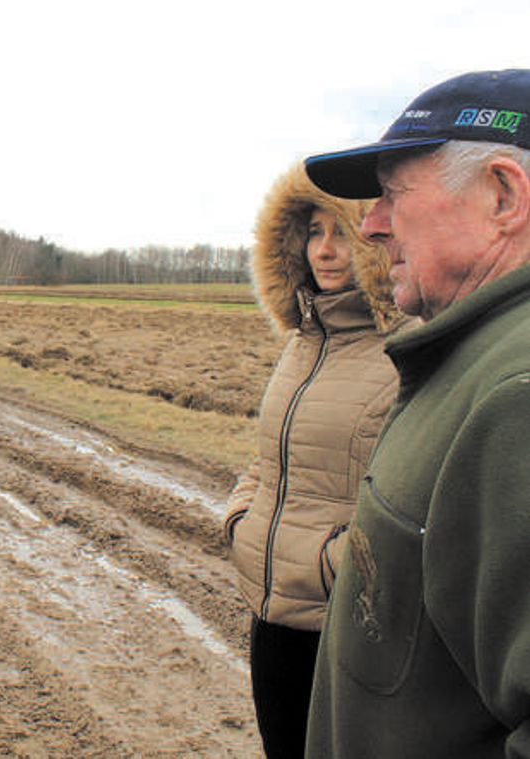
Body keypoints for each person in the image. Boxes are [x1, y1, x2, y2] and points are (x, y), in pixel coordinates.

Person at [301, 68, 530, 757]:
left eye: (392, 194)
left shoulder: (516, 394)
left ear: (503, 195)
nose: (369, 225)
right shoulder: (472, 355)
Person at [222, 163, 411, 757]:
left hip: (343, 629)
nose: (326, 251)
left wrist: (335, 567)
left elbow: (406, 491)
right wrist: (241, 520)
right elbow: (267, 456)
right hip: (272, 618)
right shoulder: (303, 343)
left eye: (342, 233)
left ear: (375, 242)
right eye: (313, 232)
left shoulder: (404, 352)